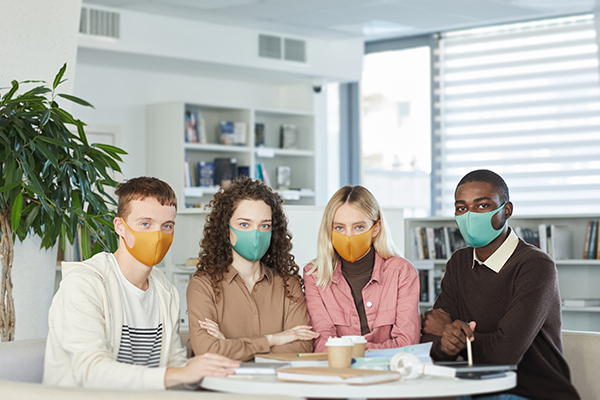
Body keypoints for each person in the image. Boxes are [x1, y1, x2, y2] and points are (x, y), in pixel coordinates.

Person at [44, 177, 239, 389]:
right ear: (120, 227)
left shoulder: (166, 291)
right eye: (145, 224)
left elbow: (176, 369)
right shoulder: (83, 284)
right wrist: (181, 373)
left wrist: (213, 356)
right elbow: (91, 372)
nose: (157, 235)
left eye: (167, 226)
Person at [421, 169, 579, 400]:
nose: (470, 215)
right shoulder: (459, 262)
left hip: (530, 392)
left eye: (482, 206)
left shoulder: (535, 265)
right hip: (472, 388)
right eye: (462, 208)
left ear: (506, 210)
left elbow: (504, 355)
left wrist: (451, 335)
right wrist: (446, 340)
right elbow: (430, 339)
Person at [187, 177, 317, 361]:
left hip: (279, 387)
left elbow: (302, 347)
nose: (256, 234)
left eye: (264, 226)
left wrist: (231, 347)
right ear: (226, 229)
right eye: (244, 224)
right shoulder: (202, 286)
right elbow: (208, 351)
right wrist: (274, 339)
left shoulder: (289, 284)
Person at [304, 185, 420, 353]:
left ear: (376, 228)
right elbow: (322, 343)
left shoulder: (402, 271)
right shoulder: (314, 275)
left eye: (359, 227)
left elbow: (407, 343)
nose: (349, 236)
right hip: (337, 372)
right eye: (339, 228)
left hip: (389, 371)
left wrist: (351, 350)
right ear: (329, 230)